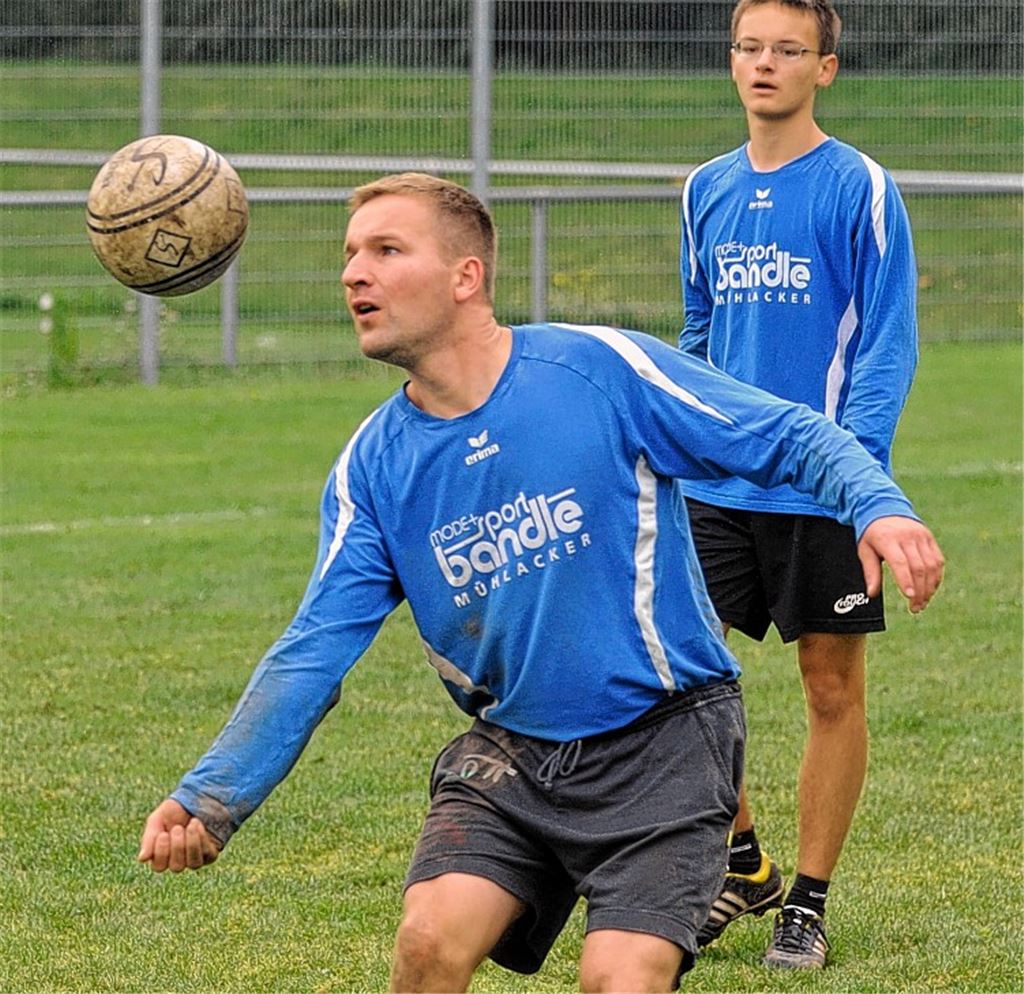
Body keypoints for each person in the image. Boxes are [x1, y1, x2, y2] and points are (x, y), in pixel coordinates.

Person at [139, 173, 942, 993]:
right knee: (427, 943)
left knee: (617, 980)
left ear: (466, 277)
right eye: (350, 254)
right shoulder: (373, 469)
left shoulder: (597, 369)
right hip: (514, 753)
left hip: (666, 744)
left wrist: (877, 506)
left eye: (386, 250)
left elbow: (783, 431)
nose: (353, 273)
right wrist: (212, 795)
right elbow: (313, 651)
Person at [677, 0, 923, 971]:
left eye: (786, 49)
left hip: (822, 487)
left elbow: (883, 344)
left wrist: (855, 477)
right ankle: (742, 864)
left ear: (825, 66)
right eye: (748, 47)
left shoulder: (859, 186)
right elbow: (696, 335)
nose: (763, 63)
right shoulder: (703, 188)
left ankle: (805, 905)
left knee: (828, 687)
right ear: (730, 61)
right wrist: (675, 437)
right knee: (678, 681)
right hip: (717, 480)